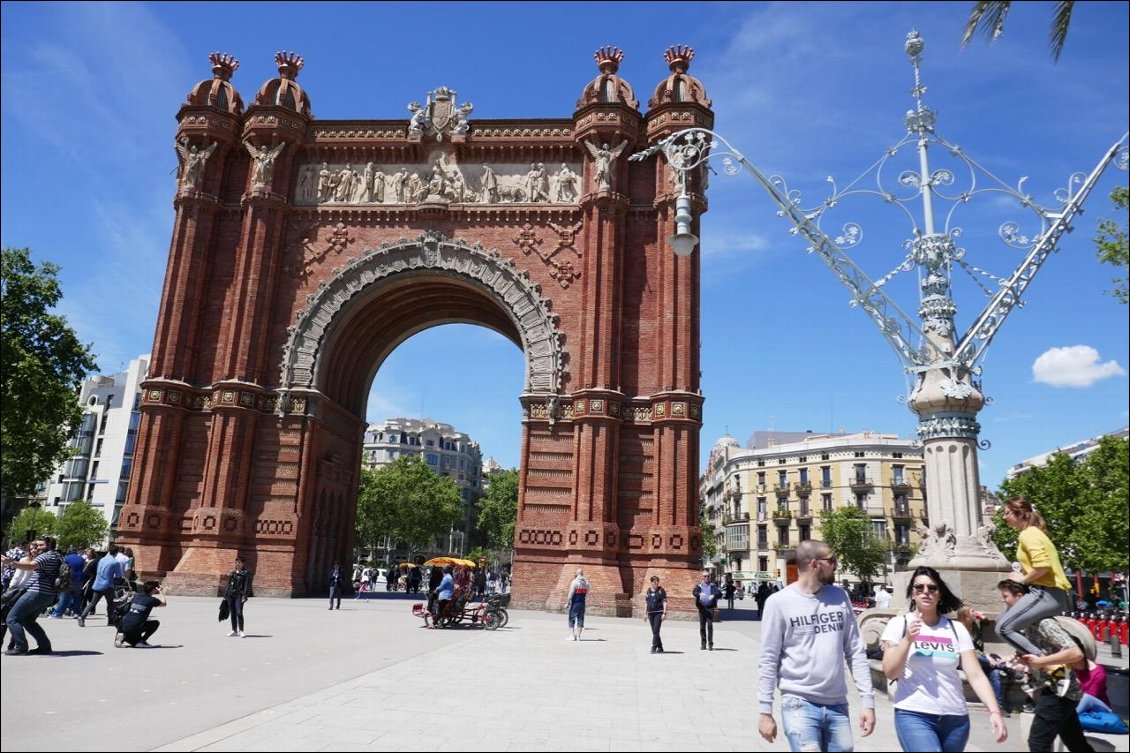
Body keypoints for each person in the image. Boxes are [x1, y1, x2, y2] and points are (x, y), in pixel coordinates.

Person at [757, 540, 875, 752]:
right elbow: (768, 659)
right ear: (814, 564)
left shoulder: (840, 597)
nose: (836, 565)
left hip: (838, 704)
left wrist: (868, 701)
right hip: (798, 703)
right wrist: (765, 711)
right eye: (831, 560)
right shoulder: (779, 602)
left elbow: (855, 651)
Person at [881, 567, 1007, 751]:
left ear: (940, 595)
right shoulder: (899, 624)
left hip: (955, 718)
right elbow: (890, 671)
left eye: (932, 588)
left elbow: (976, 675)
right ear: (912, 593)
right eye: (919, 587)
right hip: (914, 714)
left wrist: (994, 711)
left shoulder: (956, 628)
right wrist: (907, 640)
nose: (926, 592)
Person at [998, 579, 1094, 752]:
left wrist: (1040, 661)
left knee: (1038, 743)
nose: (1002, 600)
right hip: (1060, 690)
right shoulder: (1027, 625)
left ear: (1021, 597)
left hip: (1057, 691)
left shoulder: (1043, 623)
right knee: (1076, 743)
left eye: (1005, 596)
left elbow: (1075, 653)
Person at [997, 496, 1072, 657]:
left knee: (1003, 628)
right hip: (1043, 592)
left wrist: (1022, 579)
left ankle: (1044, 662)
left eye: (1007, 513)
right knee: (1001, 619)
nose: (1004, 517)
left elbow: (1043, 566)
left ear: (1021, 514)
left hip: (1046, 593)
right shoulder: (1033, 533)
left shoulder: (1028, 534)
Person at [2, 536, 65, 655]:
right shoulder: (58, 556)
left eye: (41, 545)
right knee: (28, 620)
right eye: (37, 545)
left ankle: (21, 647)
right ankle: (44, 646)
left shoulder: (46, 556)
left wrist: (11, 562)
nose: (38, 547)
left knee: (12, 618)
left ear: (49, 545)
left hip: (36, 592)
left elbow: (31, 566)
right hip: (49, 593)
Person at [115, 580, 166, 648]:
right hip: (135, 627)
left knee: (136, 621)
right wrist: (161, 592)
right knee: (155, 623)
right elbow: (164, 603)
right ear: (154, 589)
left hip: (123, 625)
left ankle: (122, 637)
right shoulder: (152, 600)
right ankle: (141, 641)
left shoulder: (137, 595)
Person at [224, 555, 252, 638]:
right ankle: (234, 630)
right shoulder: (232, 573)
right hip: (231, 595)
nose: (237, 564)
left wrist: (245, 596)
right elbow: (228, 585)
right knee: (233, 613)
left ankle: (241, 631)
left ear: (243, 563)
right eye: (236, 562)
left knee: (239, 613)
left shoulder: (245, 574)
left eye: (239, 562)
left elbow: (247, 585)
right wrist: (226, 595)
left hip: (239, 596)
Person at [693, 571, 721, 650]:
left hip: (710, 608)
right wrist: (699, 594)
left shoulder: (713, 586)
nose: (706, 578)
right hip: (702, 608)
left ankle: (710, 644)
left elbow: (719, 593)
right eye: (705, 576)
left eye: (708, 576)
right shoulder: (699, 586)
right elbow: (694, 592)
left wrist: (714, 595)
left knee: (709, 625)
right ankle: (703, 644)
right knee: (702, 627)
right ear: (702, 577)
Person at [644, 575, 668, 653]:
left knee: (656, 630)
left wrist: (664, 613)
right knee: (655, 632)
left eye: (657, 581)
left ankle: (654, 647)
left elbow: (664, 602)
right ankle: (660, 647)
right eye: (655, 582)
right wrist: (645, 613)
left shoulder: (661, 590)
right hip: (650, 613)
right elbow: (646, 602)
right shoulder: (648, 591)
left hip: (658, 612)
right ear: (651, 583)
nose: (656, 583)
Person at [566, 568, 589, 641]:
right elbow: (588, 591)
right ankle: (578, 636)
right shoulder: (586, 582)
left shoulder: (574, 582)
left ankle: (572, 636)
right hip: (582, 603)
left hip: (575, 602)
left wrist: (567, 602)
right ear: (582, 574)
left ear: (576, 574)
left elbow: (571, 593)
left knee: (571, 618)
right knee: (581, 619)